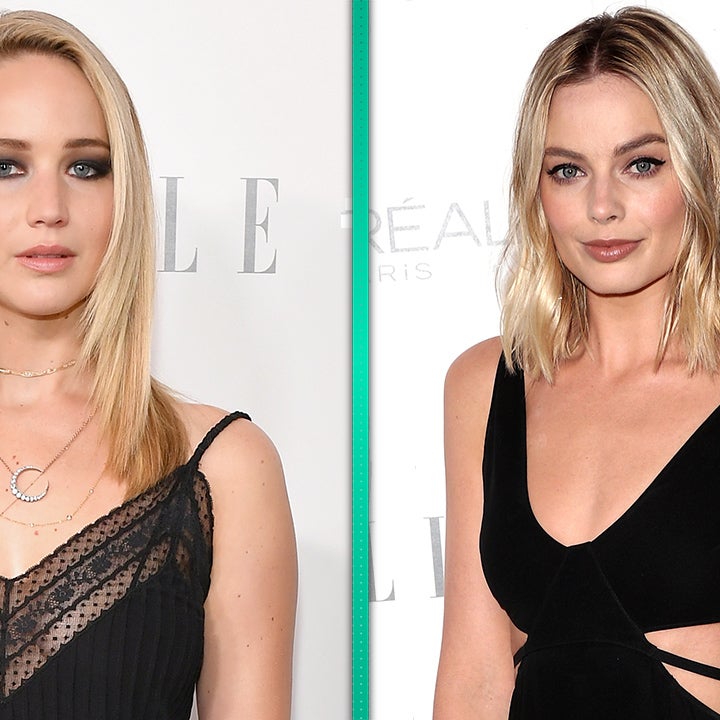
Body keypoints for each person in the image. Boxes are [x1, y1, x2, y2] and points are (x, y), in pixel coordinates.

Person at [0, 9, 297, 719]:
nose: (49, 207)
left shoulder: (222, 469)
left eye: (85, 167)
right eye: (6, 165)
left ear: (124, 193)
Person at [433, 6, 720, 719]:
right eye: (567, 171)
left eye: (641, 164)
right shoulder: (483, 385)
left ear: (702, 167)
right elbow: (474, 679)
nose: (602, 206)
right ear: (537, 192)